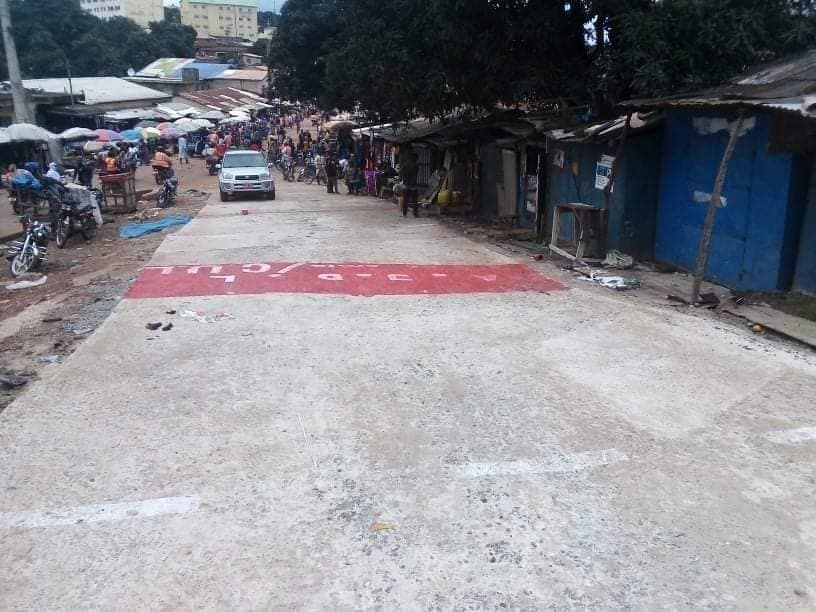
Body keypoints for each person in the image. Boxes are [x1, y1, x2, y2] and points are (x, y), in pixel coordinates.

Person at [400, 151, 420, 217]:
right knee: (414, 200)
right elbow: (415, 175)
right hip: (413, 185)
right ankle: (415, 214)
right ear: (415, 158)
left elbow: (402, 173)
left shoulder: (405, 164)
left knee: (405, 200)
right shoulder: (416, 165)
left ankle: (404, 213)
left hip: (406, 184)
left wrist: (404, 181)